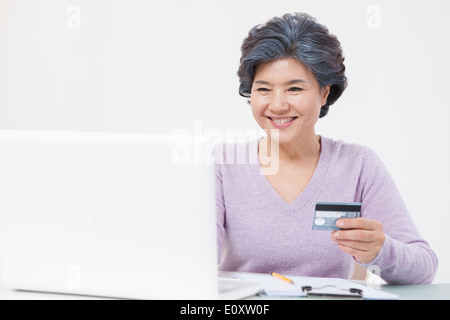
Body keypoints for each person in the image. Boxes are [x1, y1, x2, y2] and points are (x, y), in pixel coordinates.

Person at [215, 12, 438, 284]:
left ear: (324, 93)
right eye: (263, 89)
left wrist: (380, 252)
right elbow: (191, 258)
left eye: (294, 89)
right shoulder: (222, 165)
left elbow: (424, 267)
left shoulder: (359, 164)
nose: (277, 105)